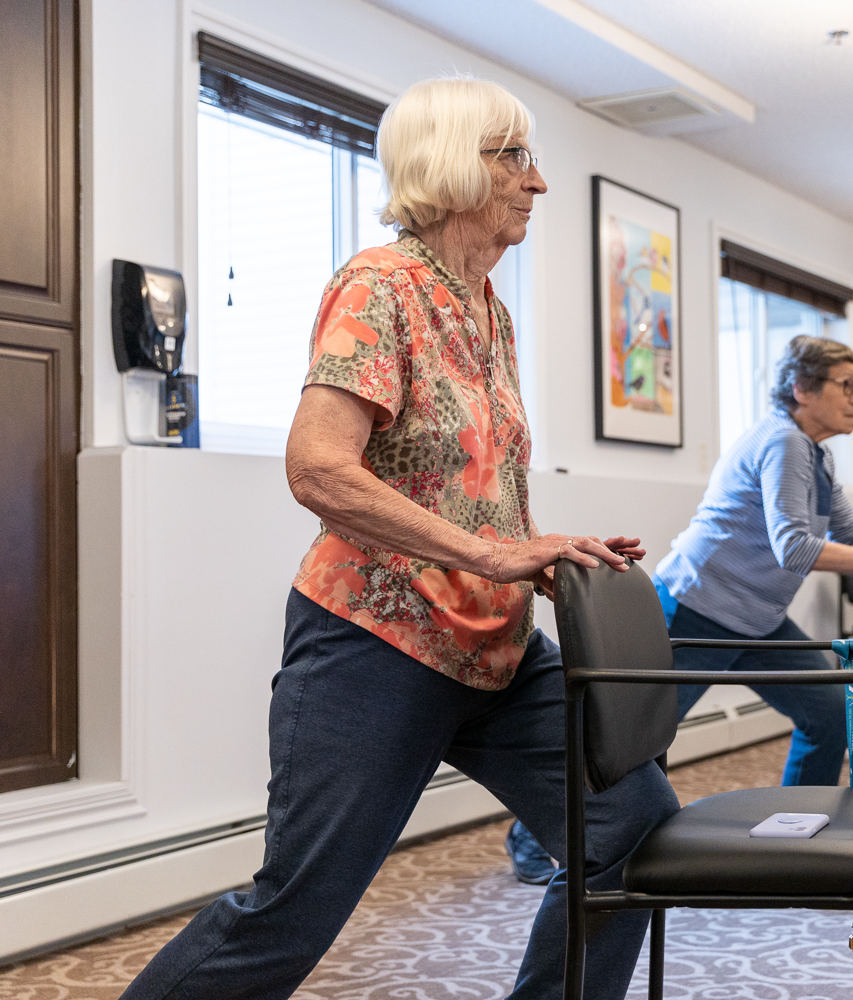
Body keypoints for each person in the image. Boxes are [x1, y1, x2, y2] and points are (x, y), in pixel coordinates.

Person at [120, 77, 679, 1000]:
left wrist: (538, 552)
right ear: (456, 167)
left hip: (492, 649)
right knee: (294, 909)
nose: (537, 183)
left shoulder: (489, 308)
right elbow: (319, 470)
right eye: (516, 158)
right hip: (374, 643)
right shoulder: (380, 286)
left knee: (630, 825)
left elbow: (466, 486)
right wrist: (495, 554)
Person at [504, 336, 853, 880]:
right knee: (627, 743)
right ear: (802, 389)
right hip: (696, 607)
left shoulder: (814, 453)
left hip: (758, 619)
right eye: (846, 385)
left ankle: (793, 835)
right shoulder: (783, 444)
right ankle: (532, 841)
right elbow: (793, 547)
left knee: (830, 717)